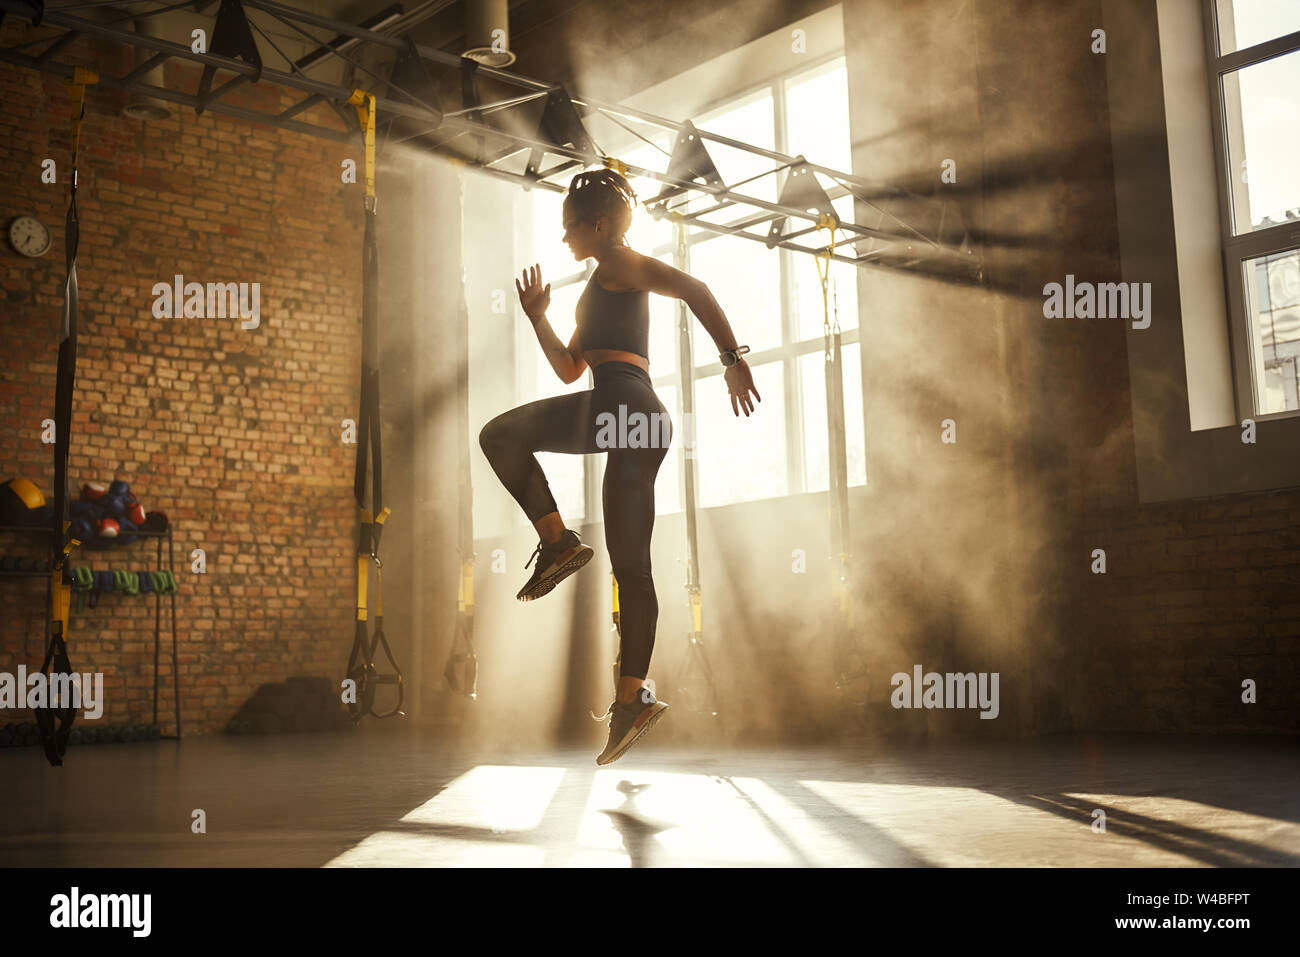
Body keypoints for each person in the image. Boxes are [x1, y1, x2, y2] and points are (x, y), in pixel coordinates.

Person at [478, 168, 760, 765]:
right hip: (638, 421)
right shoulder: (593, 289)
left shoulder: (622, 263)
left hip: (625, 407)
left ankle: (556, 543)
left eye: (570, 227)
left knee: (500, 435)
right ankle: (630, 701)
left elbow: (696, 288)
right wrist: (536, 316)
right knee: (631, 569)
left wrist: (732, 358)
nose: (563, 239)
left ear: (599, 225)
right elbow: (567, 368)